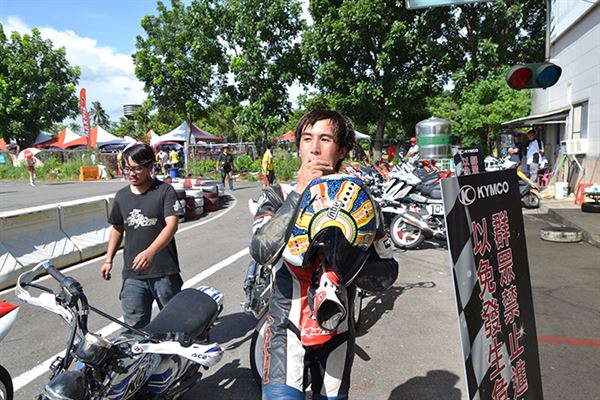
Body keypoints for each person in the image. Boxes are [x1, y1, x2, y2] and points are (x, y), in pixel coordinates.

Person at [250, 109, 398, 399]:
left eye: (325, 139)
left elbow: (386, 273)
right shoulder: (277, 195)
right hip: (284, 327)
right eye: (307, 139)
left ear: (342, 150)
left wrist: (350, 258)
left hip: (337, 330)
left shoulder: (362, 200)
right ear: (298, 146)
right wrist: (300, 191)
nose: (314, 148)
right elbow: (261, 251)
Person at [101, 143, 183, 330]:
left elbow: (172, 225)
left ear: (150, 166)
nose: (131, 174)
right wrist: (108, 259)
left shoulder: (164, 191)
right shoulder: (122, 196)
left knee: (174, 324)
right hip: (133, 273)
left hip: (164, 272)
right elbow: (117, 228)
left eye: (137, 168)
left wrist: (150, 252)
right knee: (134, 326)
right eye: (127, 168)